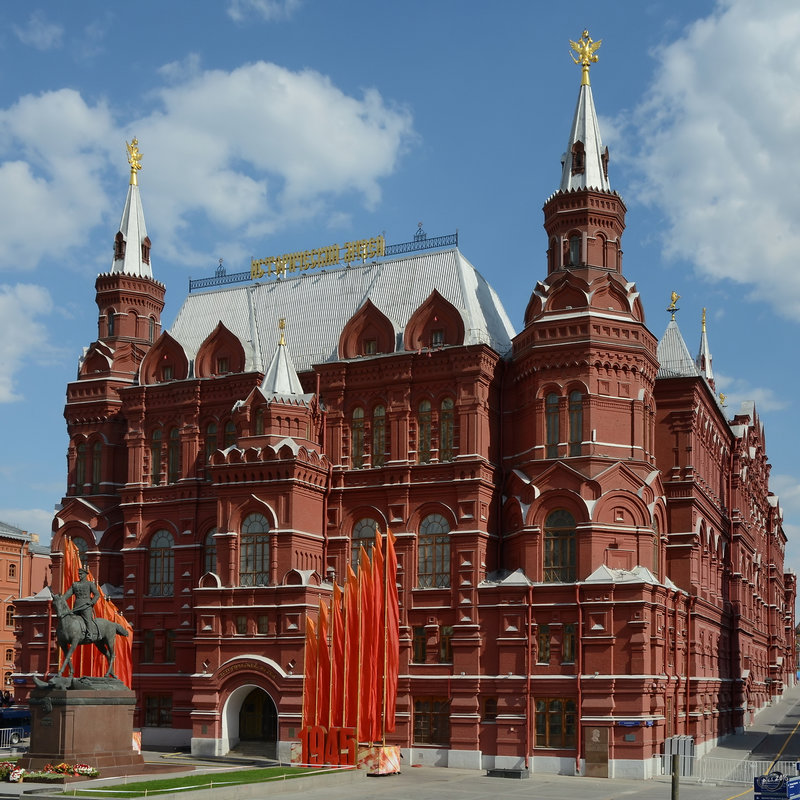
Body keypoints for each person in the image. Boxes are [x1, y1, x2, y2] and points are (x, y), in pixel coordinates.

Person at [62, 567, 100, 640]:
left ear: (85, 575)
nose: (79, 575)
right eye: (79, 574)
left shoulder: (90, 584)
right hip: (76, 606)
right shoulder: (75, 584)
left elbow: (97, 594)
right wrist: (61, 599)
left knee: (87, 620)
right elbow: (67, 594)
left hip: (86, 606)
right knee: (71, 620)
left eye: (81, 574)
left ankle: (90, 634)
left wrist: (92, 602)